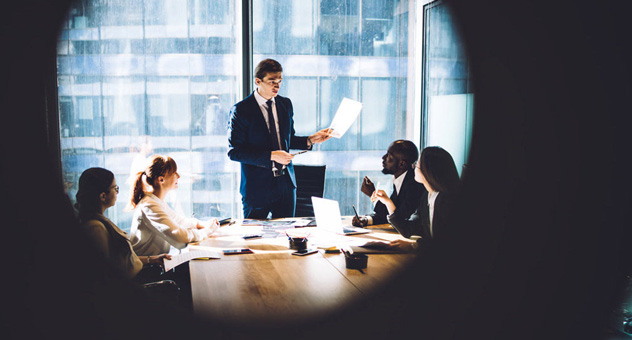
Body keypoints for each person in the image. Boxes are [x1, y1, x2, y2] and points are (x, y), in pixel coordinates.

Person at [227, 58, 333, 219]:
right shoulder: (241, 110)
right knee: (256, 240)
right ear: (258, 81)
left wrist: (311, 139)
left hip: (285, 185)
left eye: (279, 81)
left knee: (286, 236)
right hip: (257, 188)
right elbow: (234, 152)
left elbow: (287, 140)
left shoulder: (285, 105)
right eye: (272, 82)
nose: (277, 86)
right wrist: (271, 156)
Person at [75, 167, 171, 280]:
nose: (117, 192)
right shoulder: (95, 228)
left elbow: (124, 262)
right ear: (103, 196)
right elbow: (106, 274)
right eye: (115, 188)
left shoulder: (100, 221)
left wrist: (152, 259)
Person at [372, 146, 460, 252]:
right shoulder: (427, 197)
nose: (413, 167)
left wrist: (414, 246)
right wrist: (388, 202)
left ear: (428, 170)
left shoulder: (447, 202)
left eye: (417, 165)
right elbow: (409, 229)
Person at [128, 154, 220, 256]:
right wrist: (207, 231)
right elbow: (179, 237)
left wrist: (201, 224)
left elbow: (178, 221)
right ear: (161, 179)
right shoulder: (149, 206)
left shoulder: (155, 201)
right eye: (174, 173)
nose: (178, 176)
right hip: (146, 269)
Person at [352, 140, 426, 227]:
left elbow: (399, 217)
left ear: (401, 164)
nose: (383, 158)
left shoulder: (414, 185)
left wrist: (374, 195)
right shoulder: (400, 180)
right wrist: (366, 220)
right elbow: (388, 214)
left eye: (389, 156)